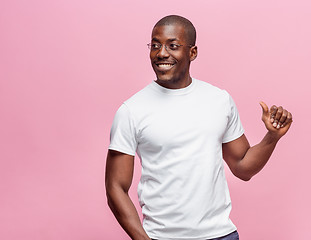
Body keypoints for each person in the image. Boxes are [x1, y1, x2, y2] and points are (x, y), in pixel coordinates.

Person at [105, 15, 292, 240]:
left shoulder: (219, 100)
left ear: (192, 52)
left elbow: (243, 168)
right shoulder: (131, 110)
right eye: (155, 45)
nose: (161, 53)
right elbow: (115, 186)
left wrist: (272, 137)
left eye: (172, 46)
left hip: (221, 235)